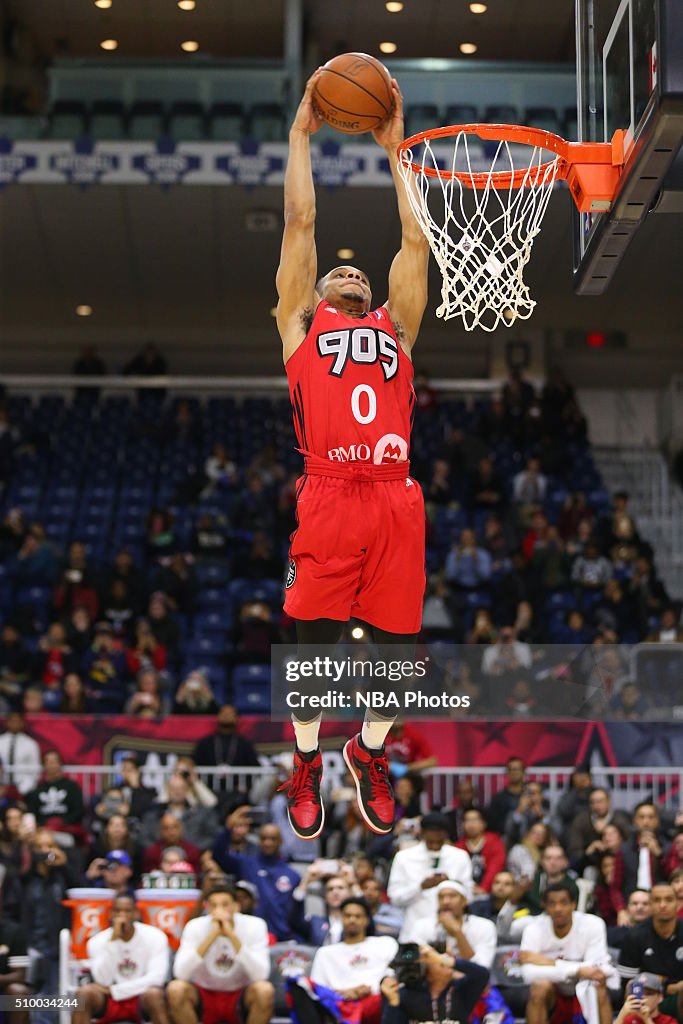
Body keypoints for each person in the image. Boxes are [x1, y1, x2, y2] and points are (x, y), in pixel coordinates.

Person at [274, 70, 429, 842]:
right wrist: (302, 133)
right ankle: (303, 758)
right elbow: (300, 226)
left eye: (357, 274)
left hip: (395, 494)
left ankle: (365, 752)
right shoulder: (301, 325)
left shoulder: (398, 328)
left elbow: (413, 240)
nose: (350, 273)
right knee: (313, 653)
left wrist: (396, 148)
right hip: (331, 492)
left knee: (399, 660)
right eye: (341, 274)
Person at [168, 882, 274, 1024]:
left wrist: (231, 935)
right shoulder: (195, 926)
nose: (219, 910)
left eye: (225, 905)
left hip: (239, 994)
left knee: (264, 990)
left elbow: (261, 975)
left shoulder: (255, 925)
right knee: (176, 989)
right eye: (214, 905)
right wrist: (212, 936)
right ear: (207, 907)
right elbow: (180, 973)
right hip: (203, 992)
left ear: (236, 906)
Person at [520, 882, 618, 1024]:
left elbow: (594, 969)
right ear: (545, 907)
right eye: (552, 904)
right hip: (553, 993)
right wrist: (578, 969)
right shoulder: (534, 929)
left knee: (598, 982)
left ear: (573, 905)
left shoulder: (593, 924)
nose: (558, 908)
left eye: (563, 903)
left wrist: (547, 962)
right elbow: (528, 974)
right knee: (539, 987)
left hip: (585, 989)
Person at [290, 897, 398, 1024]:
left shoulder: (385, 944)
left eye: (358, 916)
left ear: (367, 920)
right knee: (299, 983)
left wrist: (368, 989)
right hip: (337, 1004)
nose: (352, 920)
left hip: (372, 1000)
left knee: (390, 992)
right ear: (341, 918)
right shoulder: (325, 952)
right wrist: (340, 994)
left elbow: (392, 977)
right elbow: (318, 989)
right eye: (348, 915)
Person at [73, 894, 169, 1024]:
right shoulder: (97, 941)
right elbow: (102, 980)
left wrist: (115, 990)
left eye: (127, 911)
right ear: (110, 914)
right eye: (117, 911)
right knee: (83, 994)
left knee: (155, 995)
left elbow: (157, 978)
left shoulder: (155, 936)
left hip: (141, 997)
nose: (122, 916)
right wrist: (112, 942)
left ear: (136, 913)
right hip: (109, 1000)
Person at [387, 812, 473, 941]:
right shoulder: (404, 858)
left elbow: (469, 897)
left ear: (446, 835)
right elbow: (394, 898)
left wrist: (450, 886)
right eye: (431, 840)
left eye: (439, 840)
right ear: (422, 833)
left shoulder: (460, 857)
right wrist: (420, 887)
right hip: (413, 930)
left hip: (451, 933)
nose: (435, 843)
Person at [212, 823, 300, 942]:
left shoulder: (293, 875)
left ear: (281, 841)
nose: (267, 843)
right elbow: (218, 855)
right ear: (259, 841)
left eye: (272, 839)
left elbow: (295, 914)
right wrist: (229, 828)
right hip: (249, 935)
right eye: (264, 838)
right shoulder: (246, 864)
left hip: (281, 937)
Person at [618, 883, 683, 1022]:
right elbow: (628, 984)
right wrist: (666, 986)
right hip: (647, 997)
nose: (663, 905)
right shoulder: (634, 936)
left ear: (678, 903)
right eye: (657, 900)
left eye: (669, 900)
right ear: (650, 905)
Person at [406, 879, 497, 968]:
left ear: (464, 901)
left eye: (452, 896)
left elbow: (481, 969)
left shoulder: (484, 926)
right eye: (441, 897)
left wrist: (457, 932)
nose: (446, 902)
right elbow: (411, 959)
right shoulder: (422, 925)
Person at [191, 705, 260, 795]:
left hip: (238, 792)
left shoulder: (245, 744)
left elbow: (255, 769)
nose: (226, 715)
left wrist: (245, 785)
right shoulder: (205, 743)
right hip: (208, 791)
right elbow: (193, 764)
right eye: (223, 713)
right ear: (217, 717)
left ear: (237, 719)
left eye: (230, 713)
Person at [455, 807, 507, 895]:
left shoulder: (494, 842)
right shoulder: (458, 847)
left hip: (490, 893)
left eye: (475, 820)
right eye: (467, 820)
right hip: (464, 893)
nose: (471, 824)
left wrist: (483, 888)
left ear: (483, 823)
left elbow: (495, 867)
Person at [0, 711, 41, 795]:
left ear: (22, 723)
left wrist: (22, 790)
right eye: (12, 721)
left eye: (17, 721)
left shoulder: (31, 744)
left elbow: (35, 771)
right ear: (7, 723)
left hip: (23, 789)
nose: (14, 724)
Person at [485, 757, 527, 835]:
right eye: (511, 769)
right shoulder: (498, 799)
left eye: (517, 769)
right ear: (507, 773)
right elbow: (492, 825)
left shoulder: (530, 796)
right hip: (505, 839)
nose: (514, 772)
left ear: (523, 772)